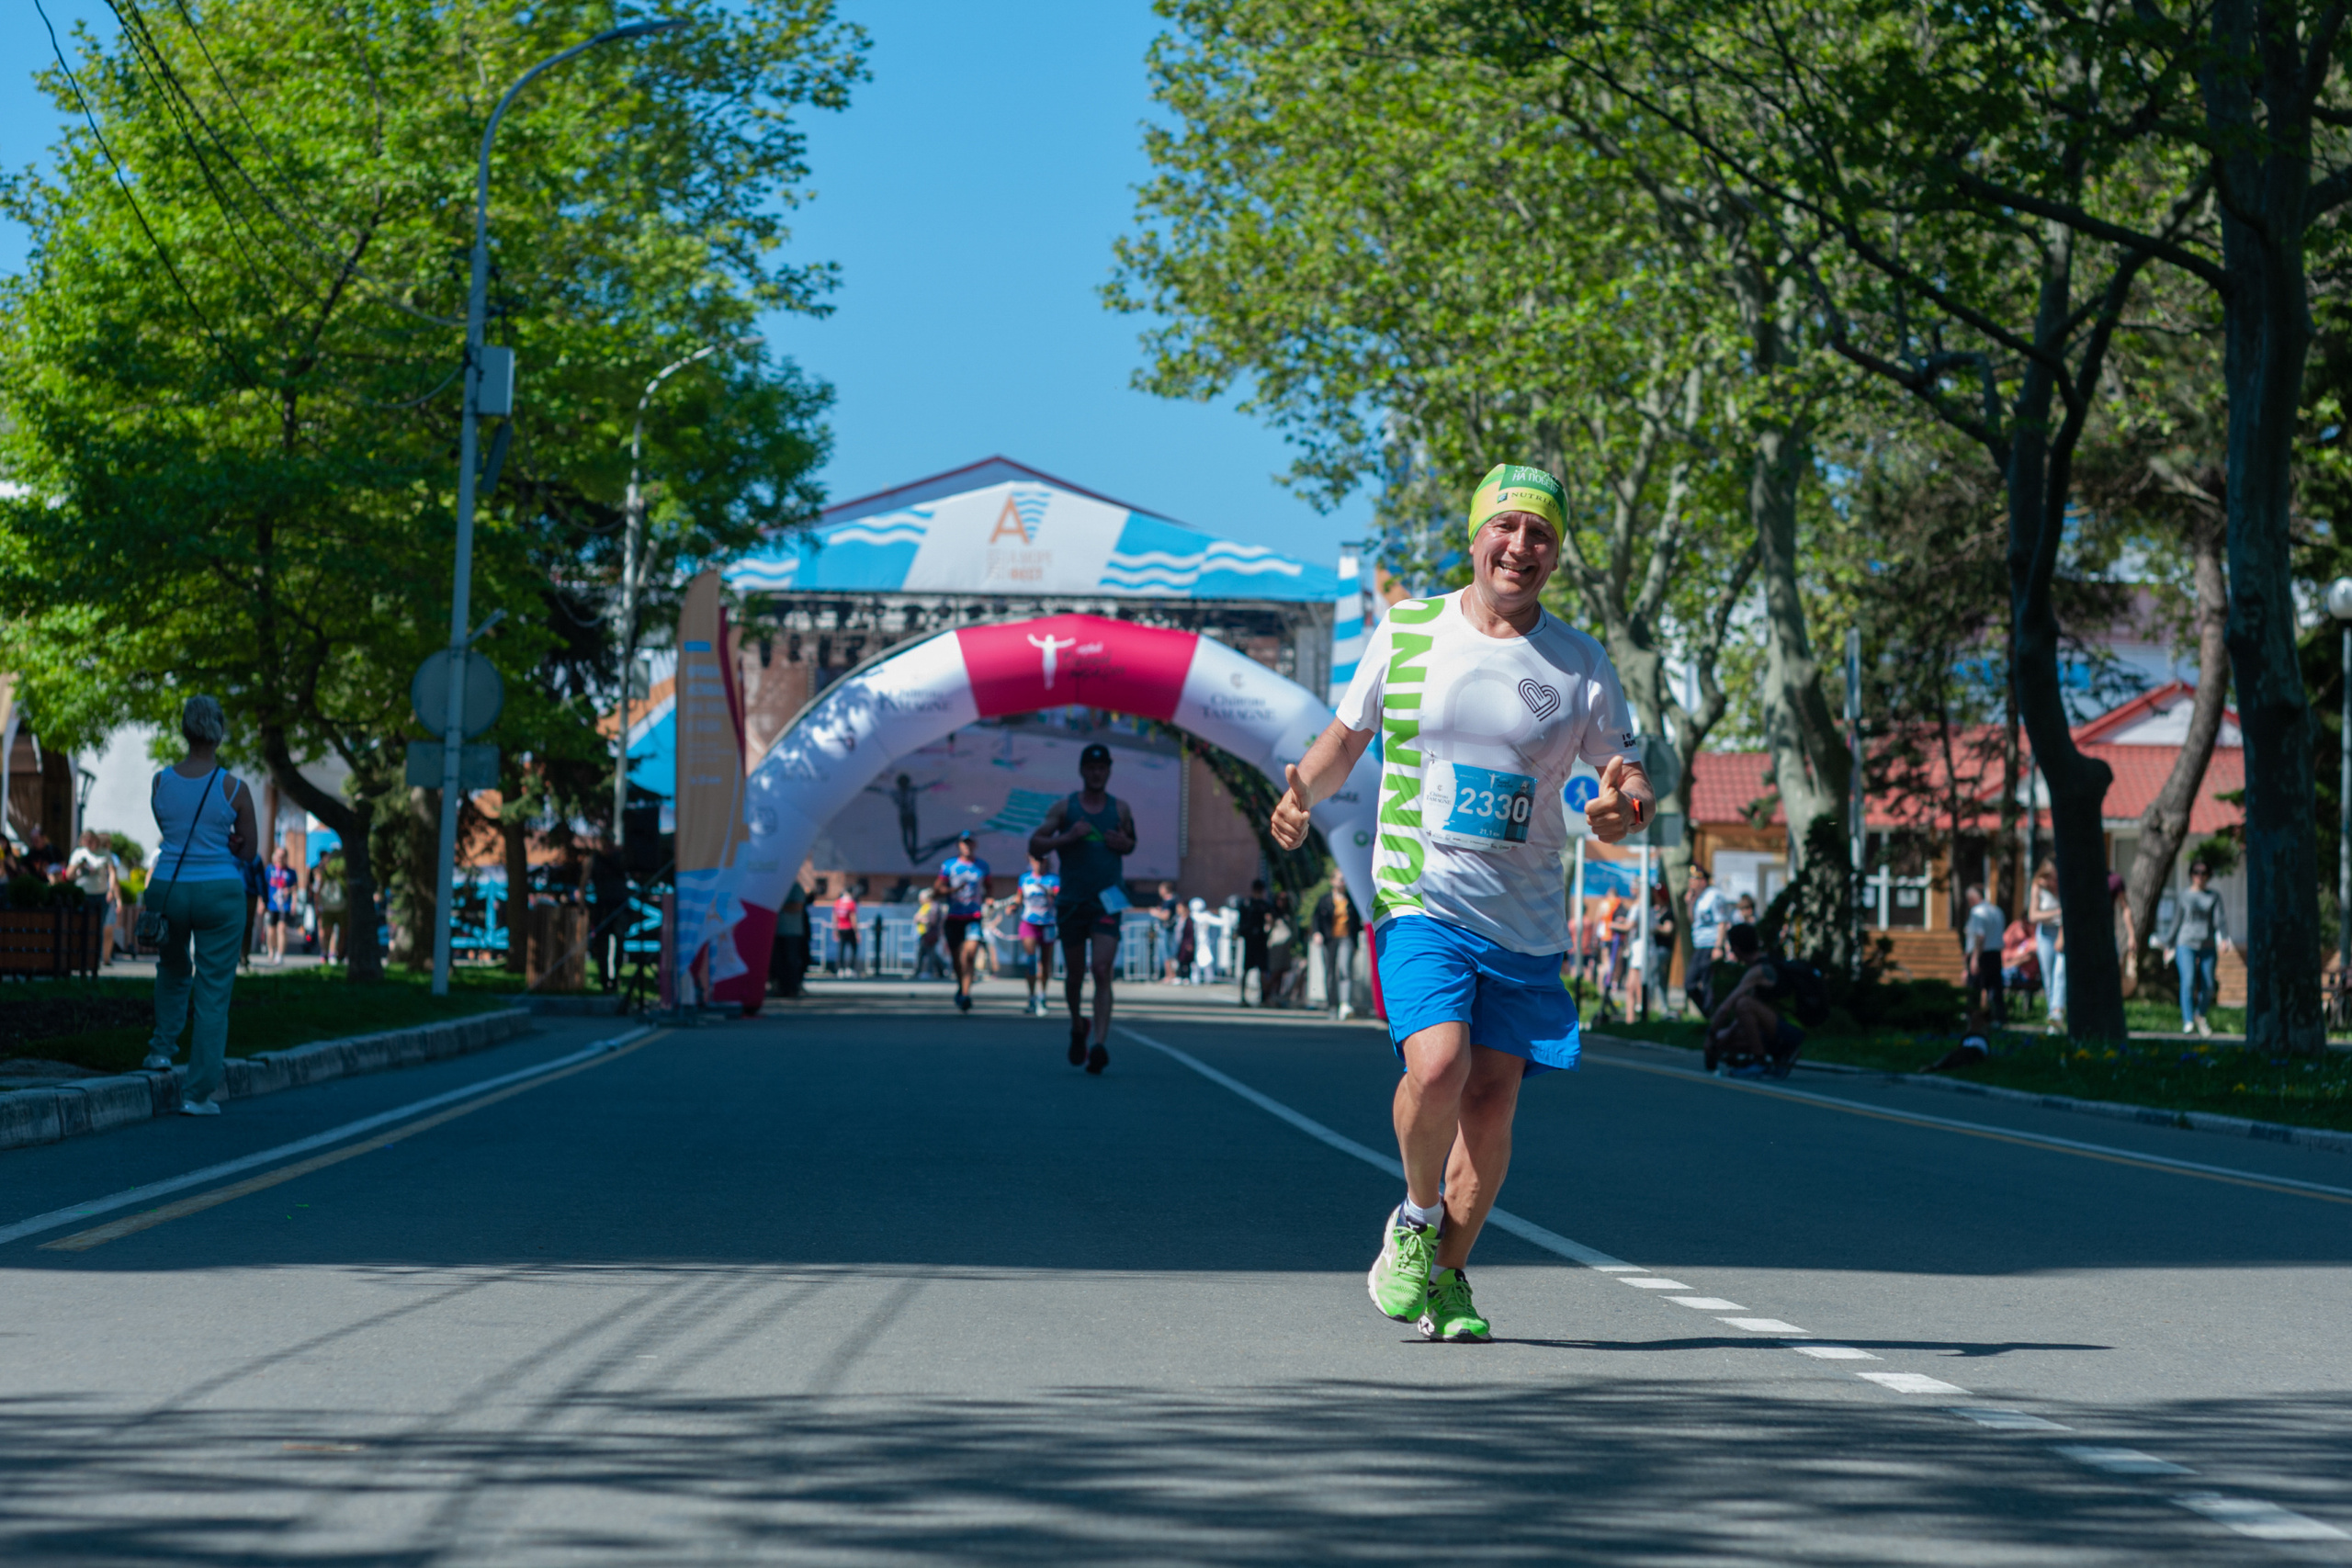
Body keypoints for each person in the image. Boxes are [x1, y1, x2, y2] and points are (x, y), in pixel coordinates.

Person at [1267, 460, 1652, 1344]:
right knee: (1437, 1067)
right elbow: (1342, 739)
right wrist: (1301, 799)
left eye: (1541, 534)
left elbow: (1626, 775)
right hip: (1421, 895)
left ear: (1556, 554)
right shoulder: (1408, 632)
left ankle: (1446, 1279)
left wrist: (1624, 805)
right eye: (1506, 528)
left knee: (1489, 1107)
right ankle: (1413, 1214)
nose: (1521, 547)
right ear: (1476, 536)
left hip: (1523, 922)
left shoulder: (1579, 662)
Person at [141, 695, 258, 1116]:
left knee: (172, 969)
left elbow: (170, 831)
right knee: (213, 992)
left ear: (185, 731)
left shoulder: (161, 782)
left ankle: (160, 1051)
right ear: (219, 732)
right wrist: (230, 840)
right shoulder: (235, 788)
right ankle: (197, 1093)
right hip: (220, 894)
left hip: (168, 888)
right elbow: (248, 852)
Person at [1030, 741, 1136, 1073]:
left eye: (1101, 768)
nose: (1096, 773)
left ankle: (1100, 1045)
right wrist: (1066, 838)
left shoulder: (1120, 809)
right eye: (1090, 768)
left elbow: (1130, 842)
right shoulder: (1065, 809)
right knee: (1075, 974)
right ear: (1082, 771)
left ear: (1108, 771)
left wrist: (1124, 844)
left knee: (1101, 970)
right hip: (1073, 902)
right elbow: (1036, 844)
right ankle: (1078, 1025)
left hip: (1106, 901)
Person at [1704, 922, 1804, 1077]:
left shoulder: (1757, 971)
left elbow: (1726, 1007)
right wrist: (1723, 1037)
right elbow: (1745, 1016)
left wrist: (1711, 1036)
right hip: (1779, 1025)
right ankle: (1775, 1056)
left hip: (1791, 1027)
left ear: (1736, 949)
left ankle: (1759, 1061)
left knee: (1743, 1004)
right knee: (1724, 1037)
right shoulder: (1764, 962)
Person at [2162, 859, 2231, 1036]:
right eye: (2196, 873)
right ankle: (2188, 1021)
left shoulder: (2213, 896)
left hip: (2207, 944)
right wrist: (2169, 944)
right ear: (2191, 875)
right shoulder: (2184, 896)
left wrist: (2224, 938)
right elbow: (2176, 921)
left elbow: (2220, 919)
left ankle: (2200, 1015)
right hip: (2186, 943)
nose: (2200, 876)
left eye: (2203, 873)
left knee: (2208, 985)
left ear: (2208, 875)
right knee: (2189, 980)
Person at [935, 832, 991, 1014]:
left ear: (975, 845)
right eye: (963, 843)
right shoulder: (949, 866)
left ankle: (966, 994)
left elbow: (989, 887)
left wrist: (989, 900)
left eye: (970, 843)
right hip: (954, 917)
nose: (967, 846)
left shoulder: (982, 866)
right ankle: (961, 985)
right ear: (959, 845)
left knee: (970, 954)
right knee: (957, 958)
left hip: (973, 916)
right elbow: (937, 889)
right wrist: (953, 889)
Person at [64, 829, 120, 966]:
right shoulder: (79, 854)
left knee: (98, 926)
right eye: (87, 841)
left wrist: (112, 890)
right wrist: (80, 865)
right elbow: (69, 875)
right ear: (82, 841)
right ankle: (79, 958)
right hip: (83, 894)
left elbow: (112, 873)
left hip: (100, 894)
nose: (90, 844)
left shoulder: (104, 854)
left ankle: (94, 959)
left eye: (92, 841)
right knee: (81, 925)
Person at [1311, 868, 1361, 1020]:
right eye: (1339, 879)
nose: (1342, 882)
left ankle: (1345, 1004)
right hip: (1329, 938)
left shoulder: (1351, 899)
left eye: (1344, 879)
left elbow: (1357, 921)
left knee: (1344, 970)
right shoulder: (1325, 899)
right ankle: (1332, 1005)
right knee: (1330, 972)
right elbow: (1316, 918)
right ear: (1332, 881)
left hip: (1346, 938)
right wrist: (1317, 933)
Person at [1014, 853, 1060, 1014]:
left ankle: (1043, 994)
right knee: (1032, 960)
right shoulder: (1025, 878)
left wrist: (1048, 891)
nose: (1038, 864)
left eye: (1042, 861)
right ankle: (1031, 996)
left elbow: (1058, 896)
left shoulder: (1053, 879)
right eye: (1036, 860)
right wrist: (1013, 906)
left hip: (1047, 924)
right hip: (1029, 923)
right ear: (1031, 861)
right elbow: (1019, 898)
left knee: (1045, 963)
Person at [1961, 883, 2006, 1026]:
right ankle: (1999, 1017)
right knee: (1995, 988)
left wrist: (1974, 958)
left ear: (1973, 898)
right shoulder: (1997, 911)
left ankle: (1971, 1016)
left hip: (1982, 954)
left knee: (1974, 988)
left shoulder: (1977, 913)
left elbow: (1980, 937)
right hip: (1996, 953)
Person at [2030, 860, 2064, 1031]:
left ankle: (2058, 1012)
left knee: (2060, 972)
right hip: (2045, 935)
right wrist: (2056, 913)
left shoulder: (2064, 887)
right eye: (2051, 878)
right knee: (2049, 977)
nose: (2054, 882)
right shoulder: (2038, 888)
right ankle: (2054, 1020)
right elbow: (2033, 916)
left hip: (2062, 933)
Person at [1235, 879, 1273, 1005]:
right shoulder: (1264, 905)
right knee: (1262, 969)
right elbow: (1269, 921)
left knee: (1247, 969)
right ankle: (1264, 997)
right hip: (1260, 939)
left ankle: (1242, 997)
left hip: (1249, 939)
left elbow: (1241, 923)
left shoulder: (1246, 904)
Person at [311, 851, 349, 967]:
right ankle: (326, 953)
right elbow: (318, 891)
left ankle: (337, 955)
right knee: (327, 932)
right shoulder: (323, 874)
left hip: (341, 907)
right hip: (328, 907)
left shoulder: (344, 875)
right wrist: (317, 906)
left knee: (340, 933)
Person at [1686, 863, 1730, 964]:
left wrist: (1718, 947)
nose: (1691, 882)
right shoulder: (1698, 898)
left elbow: (1722, 922)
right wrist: (1690, 904)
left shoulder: (1713, 896)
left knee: (1705, 979)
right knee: (1690, 979)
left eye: (1694, 879)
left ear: (1703, 881)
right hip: (1699, 944)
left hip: (1711, 944)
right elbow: (1693, 921)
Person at [262, 844, 298, 964]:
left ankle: (280, 953)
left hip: (284, 905)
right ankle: (271, 950)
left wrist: (294, 903)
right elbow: (264, 887)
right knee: (271, 930)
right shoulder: (269, 870)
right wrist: (261, 903)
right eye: (278, 855)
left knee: (282, 928)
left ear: (286, 857)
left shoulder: (291, 872)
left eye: (282, 856)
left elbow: (295, 888)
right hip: (272, 904)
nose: (280, 858)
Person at [911, 886, 948, 981]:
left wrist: (920, 919)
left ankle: (929, 972)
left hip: (930, 934)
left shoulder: (934, 906)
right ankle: (939, 970)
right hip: (924, 934)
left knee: (929, 954)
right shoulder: (925, 907)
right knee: (928, 953)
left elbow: (932, 920)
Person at [831, 885, 860, 975]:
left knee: (841, 949)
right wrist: (857, 932)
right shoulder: (851, 903)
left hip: (840, 928)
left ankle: (840, 968)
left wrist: (834, 929)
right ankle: (850, 968)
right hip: (849, 928)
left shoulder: (838, 902)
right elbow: (853, 918)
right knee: (853, 949)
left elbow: (834, 917)